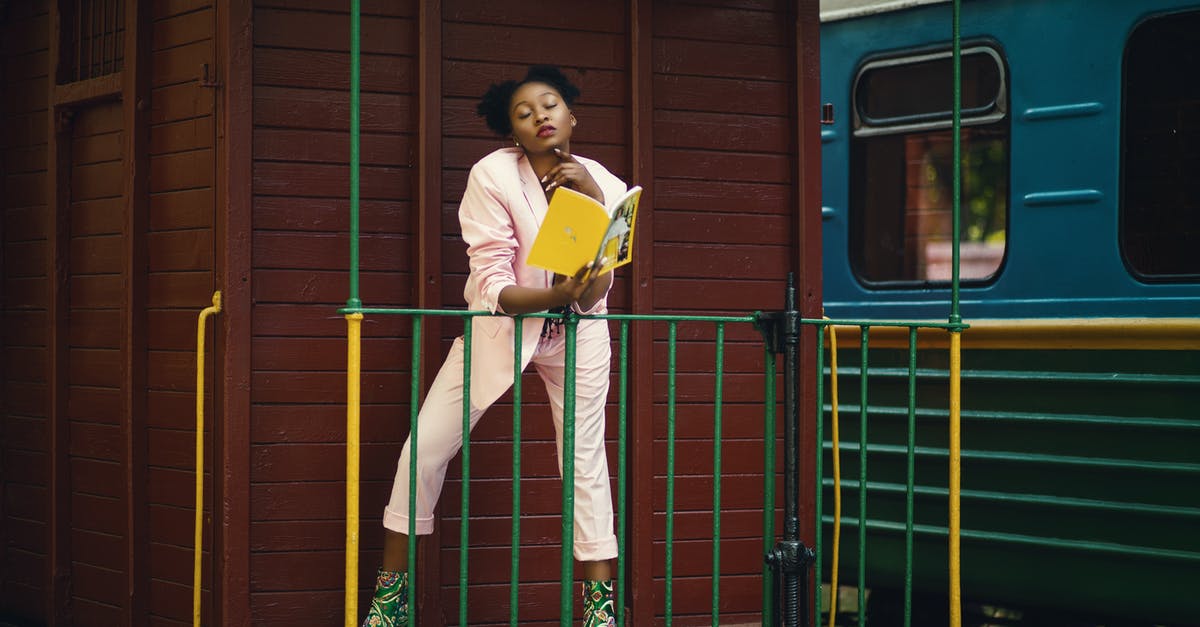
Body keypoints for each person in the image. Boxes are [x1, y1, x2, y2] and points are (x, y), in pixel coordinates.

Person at [362, 65, 625, 627]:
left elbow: (600, 288)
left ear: (571, 116)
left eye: (550, 105)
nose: (540, 117)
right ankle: (390, 605)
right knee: (424, 450)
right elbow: (491, 283)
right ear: (514, 135)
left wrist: (592, 204)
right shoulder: (494, 175)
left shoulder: (607, 182)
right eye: (524, 114)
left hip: (581, 334)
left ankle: (600, 616)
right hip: (501, 327)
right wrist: (555, 291)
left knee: (585, 465)